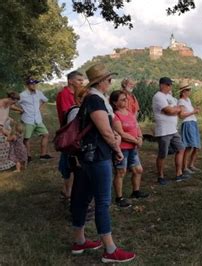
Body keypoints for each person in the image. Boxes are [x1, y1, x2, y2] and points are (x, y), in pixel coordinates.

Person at [70, 63, 135, 263]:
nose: (110, 83)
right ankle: (110, 249)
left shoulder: (90, 99)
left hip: (87, 157)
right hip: (97, 156)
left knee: (82, 198)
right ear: (101, 82)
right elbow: (105, 131)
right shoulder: (95, 100)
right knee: (103, 202)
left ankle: (79, 241)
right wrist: (117, 150)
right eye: (109, 80)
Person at [110, 90, 148, 208]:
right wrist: (136, 140)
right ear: (114, 103)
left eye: (125, 99)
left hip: (133, 148)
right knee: (121, 172)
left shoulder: (130, 113)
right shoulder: (115, 116)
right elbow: (120, 133)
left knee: (138, 170)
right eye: (122, 99)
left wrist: (140, 137)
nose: (126, 101)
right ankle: (119, 198)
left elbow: (137, 126)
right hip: (123, 148)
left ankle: (136, 192)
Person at [152, 77, 190, 185]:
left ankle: (179, 174)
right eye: (168, 84)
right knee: (162, 154)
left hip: (173, 130)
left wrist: (176, 109)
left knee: (181, 149)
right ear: (162, 85)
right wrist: (176, 109)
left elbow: (178, 109)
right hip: (163, 130)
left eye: (171, 84)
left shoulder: (169, 97)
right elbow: (169, 111)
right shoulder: (158, 96)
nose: (170, 86)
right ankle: (160, 176)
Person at [57, 71, 85, 199]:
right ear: (70, 81)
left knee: (73, 164)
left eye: (82, 80)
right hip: (69, 133)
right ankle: (68, 191)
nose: (82, 82)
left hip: (76, 133)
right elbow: (69, 114)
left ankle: (67, 190)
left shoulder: (76, 94)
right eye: (79, 80)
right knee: (69, 162)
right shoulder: (64, 94)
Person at [18, 77, 53, 161]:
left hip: (38, 119)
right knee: (26, 138)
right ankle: (28, 156)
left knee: (46, 134)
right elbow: (12, 103)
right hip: (27, 119)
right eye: (31, 84)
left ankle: (43, 155)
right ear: (27, 85)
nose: (34, 85)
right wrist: (20, 110)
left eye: (35, 83)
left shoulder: (39, 93)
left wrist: (39, 107)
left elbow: (45, 100)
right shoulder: (22, 95)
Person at [178, 83, 202, 173]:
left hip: (193, 123)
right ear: (183, 92)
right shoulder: (181, 101)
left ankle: (191, 165)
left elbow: (190, 112)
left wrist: (195, 110)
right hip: (187, 124)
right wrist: (193, 112)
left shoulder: (188, 100)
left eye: (189, 90)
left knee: (196, 146)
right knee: (189, 146)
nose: (189, 91)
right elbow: (181, 115)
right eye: (188, 90)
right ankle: (185, 167)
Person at [0, 92, 21, 171]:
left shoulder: (8, 104)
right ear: (10, 98)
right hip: (0, 127)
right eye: (14, 102)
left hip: (4, 126)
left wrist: (9, 118)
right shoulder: (0, 103)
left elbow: (4, 113)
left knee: (6, 145)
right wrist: (2, 129)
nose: (13, 104)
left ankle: (5, 163)